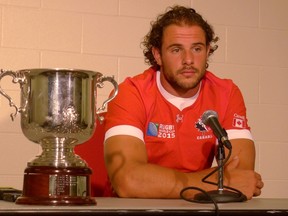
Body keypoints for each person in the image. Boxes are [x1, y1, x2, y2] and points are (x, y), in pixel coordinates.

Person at [103, 5, 264, 199]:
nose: (188, 60)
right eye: (176, 49)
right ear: (157, 55)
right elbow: (129, 182)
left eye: (197, 48)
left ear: (207, 51)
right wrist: (214, 182)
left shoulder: (226, 93)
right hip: (137, 210)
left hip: (199, 208)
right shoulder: (130, 93)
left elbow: (241, 178)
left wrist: (158, 183)